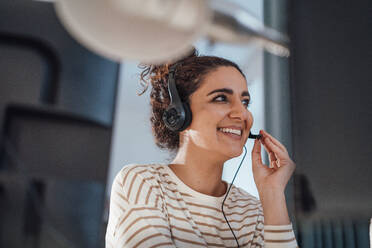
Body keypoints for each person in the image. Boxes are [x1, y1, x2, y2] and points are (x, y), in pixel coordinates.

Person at [105, 49, 298, 247]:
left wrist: (272, 193)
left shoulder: (252, 210)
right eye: (221, 98)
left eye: (245, 102)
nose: (243, 114)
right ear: (179, 113)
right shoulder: (141, 183)